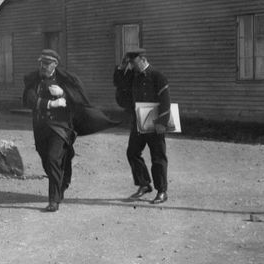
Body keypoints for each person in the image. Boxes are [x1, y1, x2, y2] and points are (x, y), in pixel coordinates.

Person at [23, 49, 118, 212]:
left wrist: (64, 94)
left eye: (47, 63)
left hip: (60, 128)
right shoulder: (34, 80)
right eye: (41, 63)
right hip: (40, 128)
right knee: (47, 160)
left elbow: (79, 100)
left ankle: (54, 199)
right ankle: (63, 181)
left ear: (55, 64)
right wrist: (50, 103)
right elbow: (28, 99)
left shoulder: (66, 80)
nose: (43, 67)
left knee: (53, 159)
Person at [113, 48, 170, 204]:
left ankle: (162, 191)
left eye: (133, 62)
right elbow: (117, 83)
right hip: (139, 120)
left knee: (158, 157)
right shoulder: (133, 76)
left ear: (143, 59)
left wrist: (162, 122)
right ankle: (144, 184)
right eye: (129, 62)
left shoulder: (158, 76)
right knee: (132, 152)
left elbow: (165, 101)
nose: (131, 65)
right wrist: (122, 66)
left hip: (155, 120)